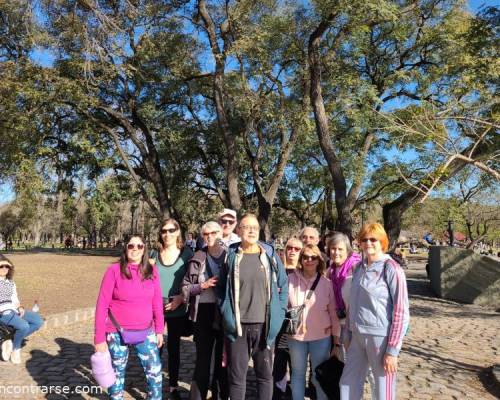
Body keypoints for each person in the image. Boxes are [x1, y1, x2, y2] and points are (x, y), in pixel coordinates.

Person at [219, 213, 288, 400]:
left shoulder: (270, 255)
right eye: (247, 227)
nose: (251, 231)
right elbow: (221, 289)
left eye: (255, 228)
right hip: (238, 327)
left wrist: (279, 312)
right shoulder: (231, 256)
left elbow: (283, 284)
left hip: (264, 326)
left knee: (265, 376)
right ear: (239, 230)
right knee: (236, 378)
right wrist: (226, 311)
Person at [340, 223, 410, 400]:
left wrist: (392, 350)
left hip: (380, 338)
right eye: (365, 239)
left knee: (382, 390)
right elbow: (352, 305)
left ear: (383, 242)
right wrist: (347, 333)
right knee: (347, 383)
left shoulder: (392, 268)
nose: (369, 243)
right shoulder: (358, 268)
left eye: (373, 239)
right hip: (357, 336)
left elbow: (401, 312)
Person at [94, 236, 164, 399]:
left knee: (155, 374)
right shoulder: (113, 271)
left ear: (144, 249)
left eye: (139, 246)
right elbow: (102, 304)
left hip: (146, 332)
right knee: (116, 378)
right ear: (125, 248)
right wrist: (99, 338)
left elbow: (157, 302)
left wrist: (159, 329)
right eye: (131, 245)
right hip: (116, 332)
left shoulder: (152, 271)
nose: (135, 249)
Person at [182, 221, 228, 400]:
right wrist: (202, 285)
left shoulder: (230, 256)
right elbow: (185, 288)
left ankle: (220, 395)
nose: (210, 237)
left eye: (214, 233)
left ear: (221, 233)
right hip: (203, 312)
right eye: (206, 234)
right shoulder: (197, 257)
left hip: (225, 312)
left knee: (222, 361)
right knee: (202, 359)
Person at [287, 244, 340, 400]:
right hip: (296, 338)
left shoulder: (326, 284)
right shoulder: (290, 280)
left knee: (319, 376)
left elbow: (333, 314)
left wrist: (336, 341)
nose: (309, 260)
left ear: (319, 260)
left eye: (313, 257)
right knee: (297, 374)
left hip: (321, 337)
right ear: (301, 259)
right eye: (305, 257)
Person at [150, 218, 194, 400]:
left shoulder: (187, 254)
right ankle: (154, 385)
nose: (167, 234)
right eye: (164, 231)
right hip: (155, 310)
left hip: (177, 308)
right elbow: (144, 278)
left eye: (171, 230)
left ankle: (173, 387)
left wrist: (181, 298)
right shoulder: (153, 253)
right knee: (155, 348)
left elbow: (194, 282)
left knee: (174, 349)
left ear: (177, 232)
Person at [273, 237, 303, 399]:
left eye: (297, 249)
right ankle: (278, 394)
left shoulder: (305, 273)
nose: (292, 251)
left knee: (296, 366)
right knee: (278, 363)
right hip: (278, 326)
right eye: (289, 247)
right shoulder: (277, 270)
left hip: (298, 327)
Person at [0, 254, 44, 364]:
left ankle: (10, 340)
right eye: (1, 266)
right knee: (24, 326)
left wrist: (19, 307)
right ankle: (16, 349)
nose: (4, 269)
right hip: (3, 313)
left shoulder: (11, 283)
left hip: (14, 310)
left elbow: (14, 298)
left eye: (7, 267)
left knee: (37, 321)